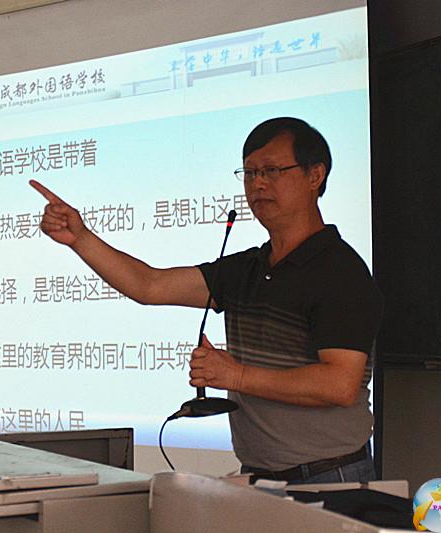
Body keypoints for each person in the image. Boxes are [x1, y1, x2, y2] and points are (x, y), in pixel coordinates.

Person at [31, 117, 382, 484]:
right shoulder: (249, 268)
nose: (258, 184)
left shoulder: (340, 271)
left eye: (272, 170)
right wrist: (81, 238)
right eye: (249, 173)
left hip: (330, 476)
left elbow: (339, 384)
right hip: (261, 477)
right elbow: (150, 286)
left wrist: (236, 375)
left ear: (315, 175)